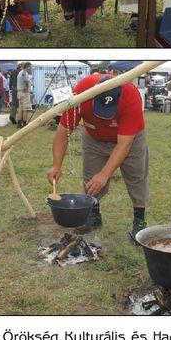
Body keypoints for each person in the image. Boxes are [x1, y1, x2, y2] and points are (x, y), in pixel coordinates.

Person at [49, 72, 149, 244]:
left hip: (129, 138)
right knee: (91, 177)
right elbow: (62, 132)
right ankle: (93, 217)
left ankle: (139, 221)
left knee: (136, 176)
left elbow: (124, 145)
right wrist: (56, 165)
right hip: (93, 135)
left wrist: (105, 174)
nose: (104, 115)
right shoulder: (81, 94)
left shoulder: (131, 96)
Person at [15, 62, 33, 127]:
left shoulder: (20, 72)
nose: (31, 68)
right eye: (30, 67)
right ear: (27, 66)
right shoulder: (24, 73)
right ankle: (24, 124)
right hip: (24, 93)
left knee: (20, 109)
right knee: (25, 109)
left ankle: (19, 123)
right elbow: (25, 80)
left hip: (19, 92)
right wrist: (26, 89)